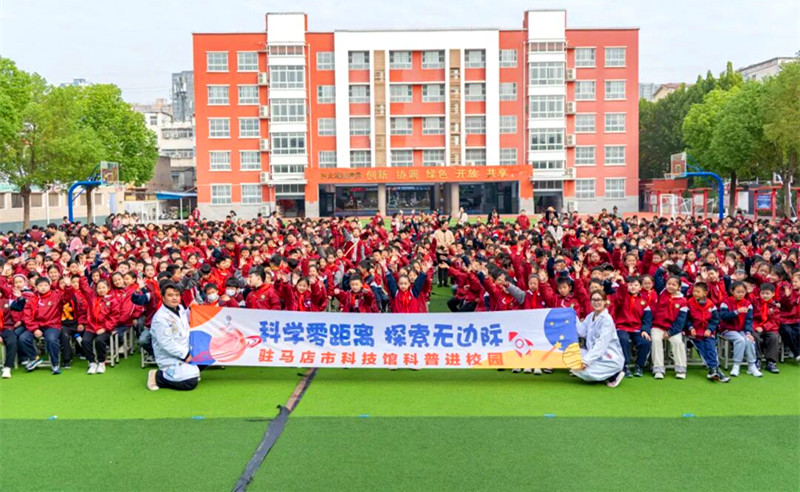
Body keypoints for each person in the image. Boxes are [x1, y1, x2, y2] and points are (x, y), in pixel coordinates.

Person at [146, 283, 199, 391]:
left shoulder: (180, 308)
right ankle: (157, 376)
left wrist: (191, 309)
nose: (174, 298)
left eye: (177, 295)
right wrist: (185, 354)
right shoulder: (160, 318)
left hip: (184, 350)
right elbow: (166, 343)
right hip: (169, 356)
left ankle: (188, 370)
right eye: (170, 295)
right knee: (190, 383)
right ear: (163, 297)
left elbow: (185, 321)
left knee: (206, 357)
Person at [572, 291, 625, 388]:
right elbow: (581, 332)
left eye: (599, 300)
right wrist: (572, 316)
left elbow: (601, 345)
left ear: (605, 301)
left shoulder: (607, 320)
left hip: (609, 358)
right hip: (595, 354)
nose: (596, 302)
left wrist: (586, 361)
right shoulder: (590, 316)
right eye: (594, 300)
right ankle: (604, 374)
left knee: (584, 372)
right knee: (573, 359)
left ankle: (614, 375)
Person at [686, 282, 730, 382]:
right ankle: (715, 371)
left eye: (698, 291)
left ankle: (713, 370)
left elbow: (715, 319)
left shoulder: (711, 304)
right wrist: (690, 328)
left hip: (708, 332)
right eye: (694, 291)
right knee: (702, 350)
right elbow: (686, 319)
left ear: (705, 293)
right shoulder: (689, 303)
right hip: (695, 333)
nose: (695, 293)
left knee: (711, 349)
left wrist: (709, 329)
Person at [719, 281, 762, 377]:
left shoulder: (748, 304)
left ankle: (752, 365)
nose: (741, 294)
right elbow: (723, 316)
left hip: (741, 330)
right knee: (740, 340)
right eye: (738, 292)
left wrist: (748, 333)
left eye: (743, 292)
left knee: (749, 340)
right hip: (728, 329)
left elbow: (749, 320)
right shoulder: (725, 302)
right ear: (732, 291)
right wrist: (736, 312)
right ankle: (736, 365)